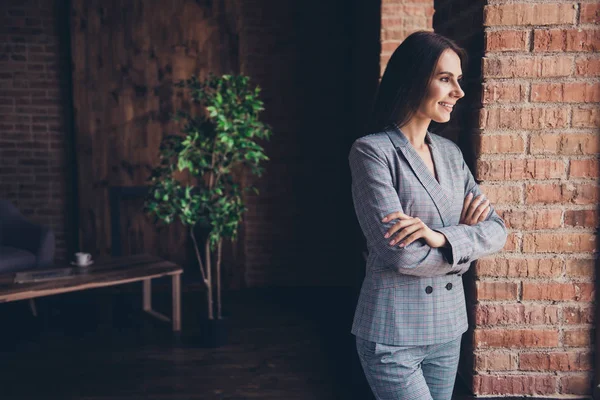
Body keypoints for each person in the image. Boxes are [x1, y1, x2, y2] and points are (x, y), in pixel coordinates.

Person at [349, 31, 508, 400]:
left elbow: (497, 230)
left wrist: (441, 237)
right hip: (393, 334)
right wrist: (464, 247)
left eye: (458, 80)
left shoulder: (451, 154)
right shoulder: (372, 153)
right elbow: (399, 254)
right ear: (413, 77)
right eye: (445, 79)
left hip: (448, 328)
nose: (459, 92)